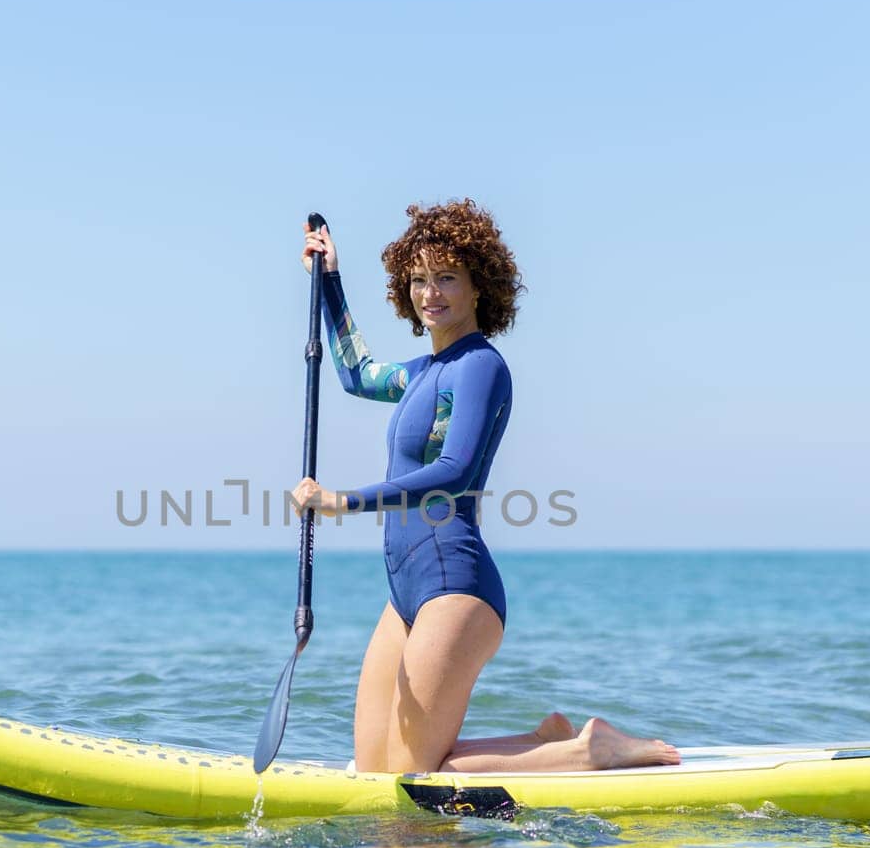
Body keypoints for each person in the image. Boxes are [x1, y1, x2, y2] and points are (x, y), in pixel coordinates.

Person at [290, 200, 681, 774]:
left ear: (479, 288)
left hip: (456, 584)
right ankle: (543, 738)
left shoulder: (481, 366)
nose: (431, 294)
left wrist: (345, 500)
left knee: (415, 776)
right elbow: (354, 374)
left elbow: (455, 472)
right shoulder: (420, 373)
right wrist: (330, 282)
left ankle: (589, 748)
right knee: (373, 769)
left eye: (447, 278)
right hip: (404, 592)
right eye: (419, 280)